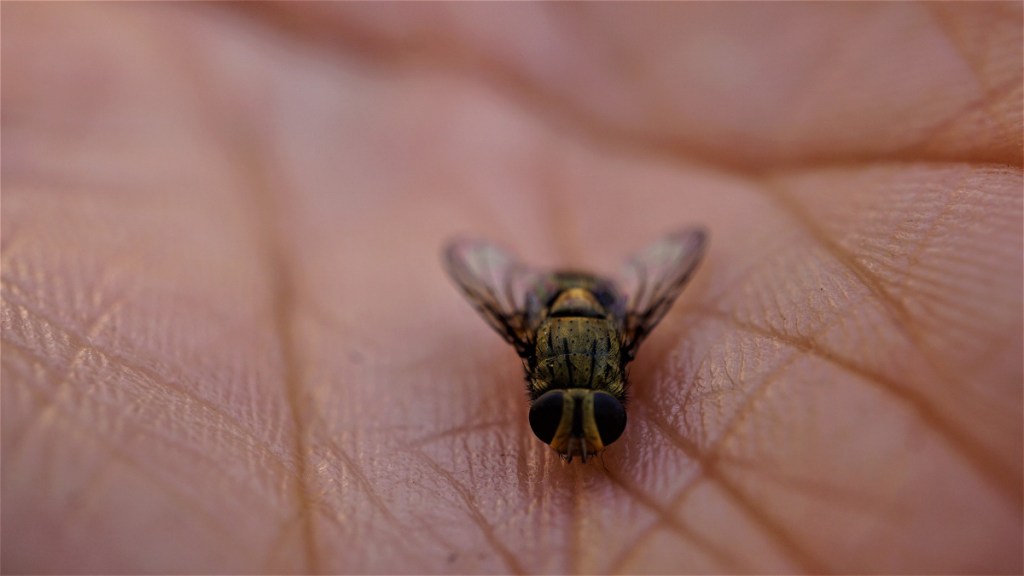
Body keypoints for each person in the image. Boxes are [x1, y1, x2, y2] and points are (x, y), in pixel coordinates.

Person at [3, 3, 1020, 573]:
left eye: (572, 413)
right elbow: (598, 277)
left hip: (582, 300)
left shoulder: (573, 341)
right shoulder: (583, 337)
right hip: (580, 299)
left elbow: (539, 279)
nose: (579, 424)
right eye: (586, 411)